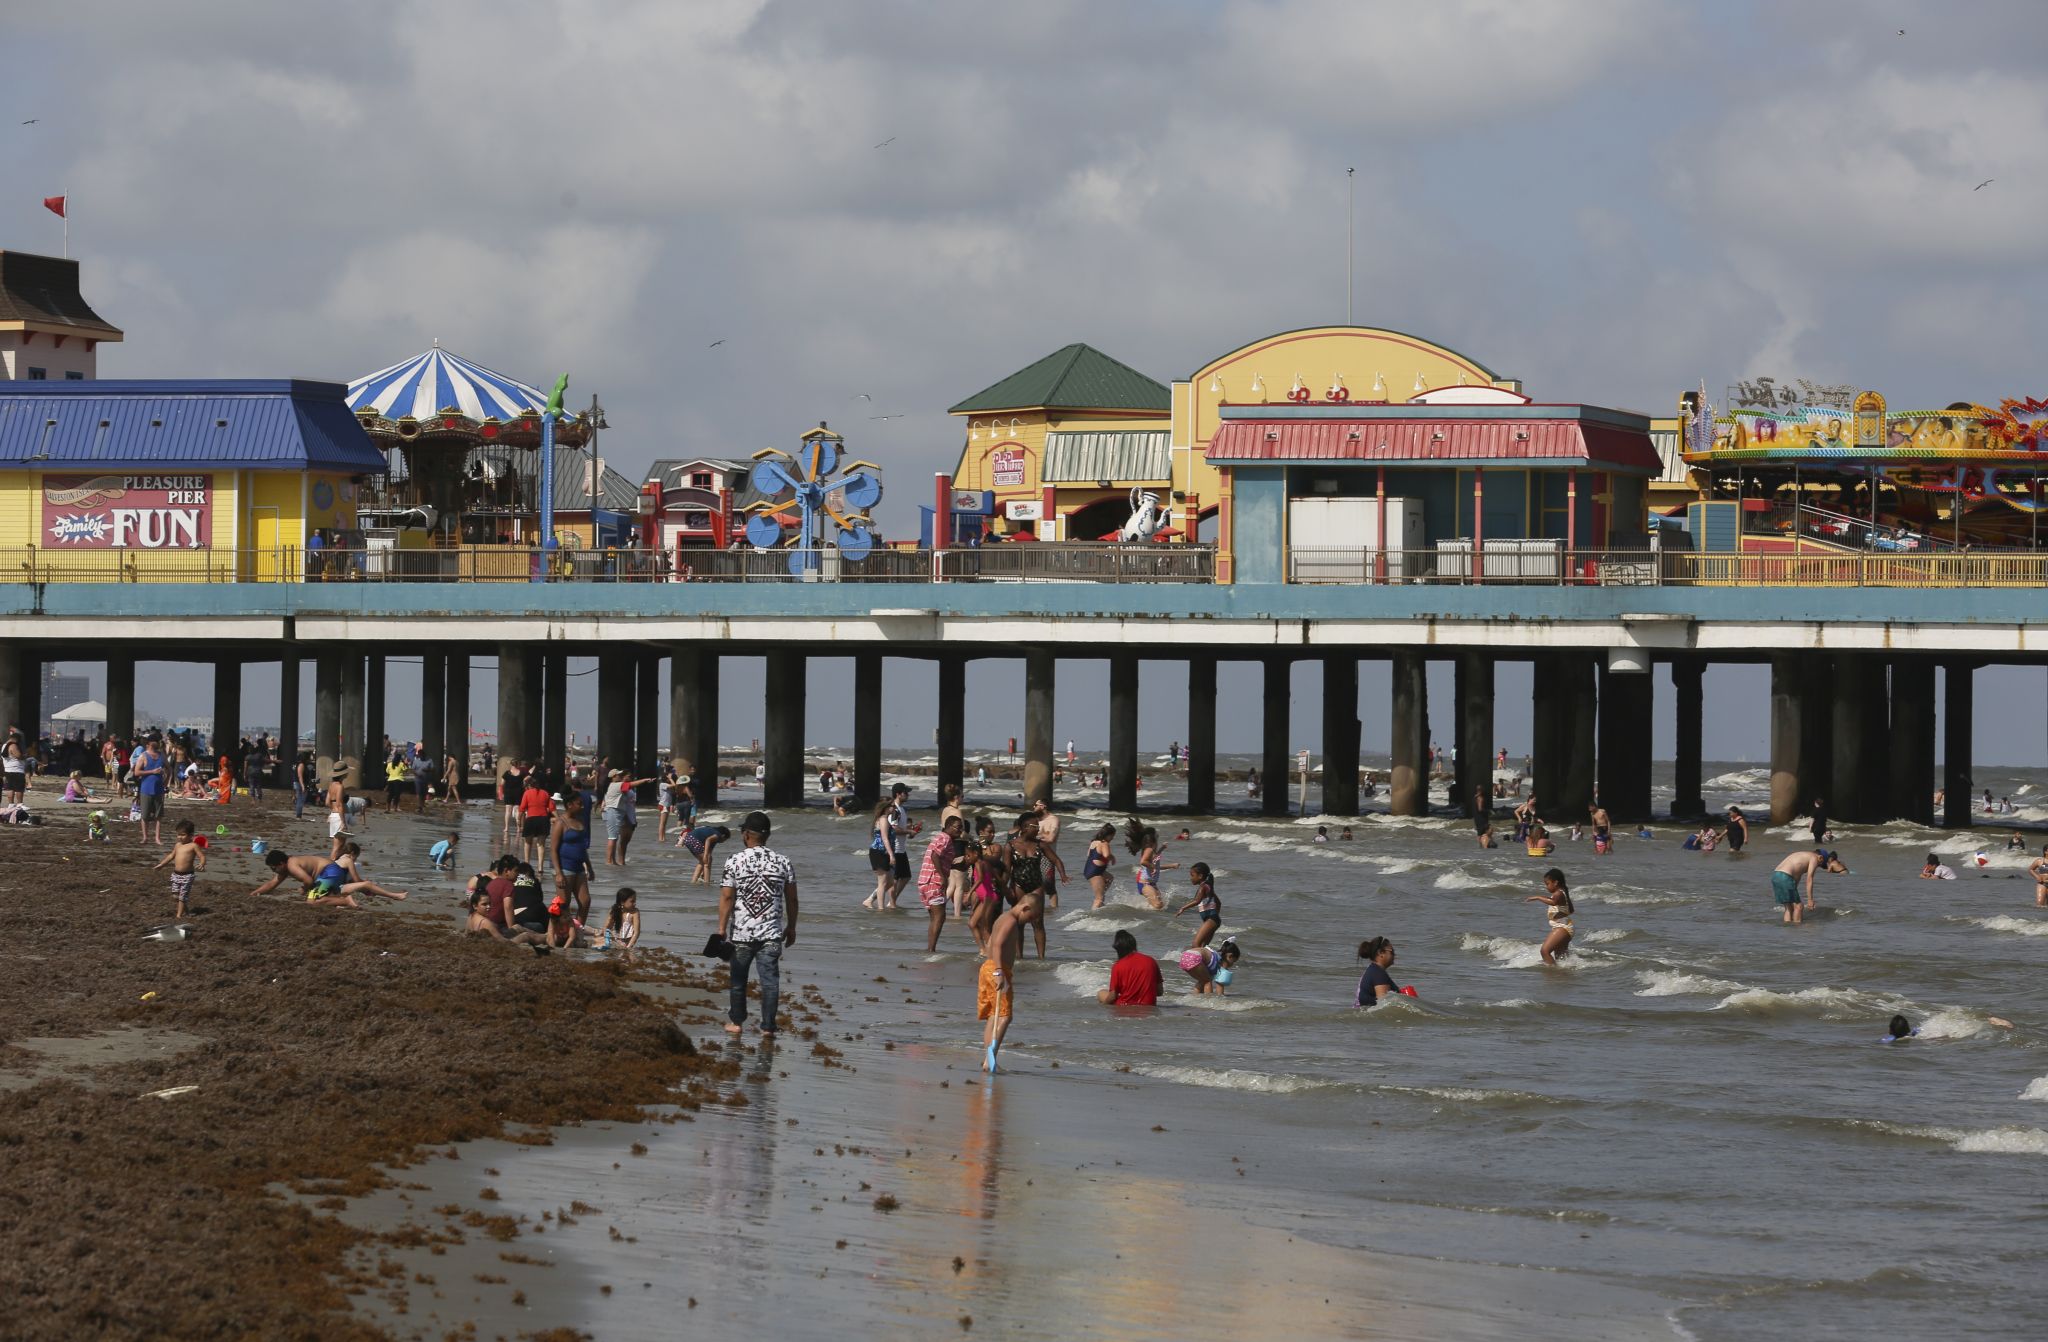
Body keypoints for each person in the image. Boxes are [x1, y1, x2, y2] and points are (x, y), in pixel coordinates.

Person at [717, 811, 797, 1040]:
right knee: (770, 982)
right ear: (768, 835)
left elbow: (727, 898)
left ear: (746, 835)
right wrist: (791, 927)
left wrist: (721, 928)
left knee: (738, 981)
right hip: (772, 934)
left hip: (741, 934)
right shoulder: (783, 862)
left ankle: (736, 1022)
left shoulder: (734, 860)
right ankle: (768, 1027)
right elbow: (792, 899)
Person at [979, 890, 1036, 1072]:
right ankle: (990, 1060)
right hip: (997, 969)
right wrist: (999, 972)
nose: (1028, 921)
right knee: (1004, 1016)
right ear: (1025, 907)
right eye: (1029, 917)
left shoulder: (1003, 917)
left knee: (994, 1016)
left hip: (989, 967)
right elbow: (997, 945)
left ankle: (988, 1059)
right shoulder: (1010, 920)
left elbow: (990, 943)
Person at [1006, 813, 1051, 958]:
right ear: (1025, 828)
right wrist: (1004, 888)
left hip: (1036, 884)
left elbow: (1055, 860)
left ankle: (1041, 957)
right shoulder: (1010, 846)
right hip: (1018, 885)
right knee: (1019, 922)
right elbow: (1006, 870)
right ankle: (1019, 957)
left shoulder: (1039, 844)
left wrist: (1062, 874)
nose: (1038, 829)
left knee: (1038, 922)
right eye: (1035, 826)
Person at [917, 814, 963, 951]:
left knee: (935, 917)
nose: (960, 831)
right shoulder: (945, 838)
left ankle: (930, 948)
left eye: (961, 828)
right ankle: (931, 949)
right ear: (948, 827)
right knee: (940, 916)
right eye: (958, 828)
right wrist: (943, 877)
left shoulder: (940, 838)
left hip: (925, 881)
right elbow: (935, 855)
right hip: (933, 880)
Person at [551, 790, 595, 920]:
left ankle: (577, 930)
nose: (582, 807)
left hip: (579, 867)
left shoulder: (580, 821)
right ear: (569, 805)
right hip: (564, 867)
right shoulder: (561, 823)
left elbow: (582, 848)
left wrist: (589, 867)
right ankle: (554, 930)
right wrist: (559, 873)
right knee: (563, 904)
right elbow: (553, 849)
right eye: (579, 804)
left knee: (585, 901)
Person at [1772, 849, 1846, 923]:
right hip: (1785, 876)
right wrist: (1810, 899)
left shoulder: (1802, 856)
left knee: (1789, 908)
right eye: (1819, 864)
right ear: (1820, 857)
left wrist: (1794, 895)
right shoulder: (1814, 857)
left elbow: (1795, 880)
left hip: (1776, 875)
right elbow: (1809, 879)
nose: (1817, 866)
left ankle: (1787, 928)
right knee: (1799, 906)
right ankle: (1797, 928)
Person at [151, 819, 206, 919]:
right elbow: (171, 856)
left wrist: (202, 864)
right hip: (176, 874)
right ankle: (187, 911)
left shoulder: (193, 846)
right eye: (178, 834)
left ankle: (179, 916)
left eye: (183, 834)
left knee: (182, 897)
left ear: (190, 835)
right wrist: (162, 864)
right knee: (175, 896)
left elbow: (202, 856)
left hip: (187, 875)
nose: (179, 837)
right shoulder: (177, 845)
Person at [1096, 928, 1162, 1006]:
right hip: (1148, 1005)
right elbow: (1159, 992)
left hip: (1125, 1006)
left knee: (1101, 993)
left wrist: (1103, 1006)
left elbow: (1113, 996)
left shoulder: (1118, 966)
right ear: (1134, 945)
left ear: (1118, 949)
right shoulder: (1151, 961)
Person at [1525, 867, 1575, 965]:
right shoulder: (1562, 892)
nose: (1546, 887)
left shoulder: (1559, 893)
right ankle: (1562, 976)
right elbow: (1571, 910)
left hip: (1563, 927)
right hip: (1564, 926)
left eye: (1547, 884)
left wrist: (1538, 897)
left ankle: (1553, 973)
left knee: (1544, 951)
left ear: (1555, 883)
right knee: (1561, 959)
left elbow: (1553, 902)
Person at [1174, 862, 1222, 948]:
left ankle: (1197, 961)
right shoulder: (1208, 888)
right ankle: (1207, 961)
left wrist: (1183, 908)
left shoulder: (1203, 887)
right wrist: (1215, 916)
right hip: (1213, 920)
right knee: (1202, 946)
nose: (1191, 878)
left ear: (1200, 876)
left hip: (1211, 920)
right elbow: (1218, 903)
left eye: (1192, 875)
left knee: (1195, 945)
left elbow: (1197, 901)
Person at [864, 798, 901, 910]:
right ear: (886, 807)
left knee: (889, 882)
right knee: (883, 882)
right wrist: (891, 855)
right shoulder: (883, 819)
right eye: (892, 806)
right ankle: (881, 908)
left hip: (881, 852)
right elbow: (885, 838)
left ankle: (869, 901)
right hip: (879, 852)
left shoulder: (884, 819)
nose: (894, 808)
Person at [1031, 798, 1067, 910]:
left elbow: (1051, 838)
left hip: (1047, 856)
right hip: (1032, 856)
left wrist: (1035, 836)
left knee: (1049, 887)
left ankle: (1053, 911)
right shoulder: (1034, 820)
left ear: (1043, 806)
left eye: (1035, 805)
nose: (1033, 807)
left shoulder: (1053, 820)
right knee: (1034, 887)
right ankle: (1037, 909)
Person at [133, 737, 167, 846]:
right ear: (148, 744)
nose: (156, 743)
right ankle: (145, 837)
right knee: (145, 815)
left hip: (159, 789)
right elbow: (136, 772)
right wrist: (152, 771)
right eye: (154, 741)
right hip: (146, 789)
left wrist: (166, 782)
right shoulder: (143, 756)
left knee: (158, 815)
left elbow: (169, 769)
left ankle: (157, 838)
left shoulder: (161, 755)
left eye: (157, 741)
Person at [518, 775, 556, 870]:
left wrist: (519, 820)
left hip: (531, 819)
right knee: (541, 844)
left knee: (528, 843)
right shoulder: (545, 793)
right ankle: (540, 867)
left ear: (530, 785)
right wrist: (558, 818)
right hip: (543, 820)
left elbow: (522, 809)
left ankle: (527, 864)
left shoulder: (527, 793)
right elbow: (552, 808)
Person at [1355, 936, 1404, 1006]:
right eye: (1392, 952)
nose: (1395, 955)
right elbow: (1384, 1006)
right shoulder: (1378, 974)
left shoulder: (1373, 970)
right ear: (1380, 953)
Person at [1082, 823, 1116, 909]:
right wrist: (1113, 858)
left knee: (1110, 878)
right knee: (1099, 898)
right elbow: (1106, 855)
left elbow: (1088, 854)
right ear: (1108, 835)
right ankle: (1092, 917)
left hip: (1091, 869)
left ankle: (1100, 902)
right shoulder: (1104, 843)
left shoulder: (1094, 842)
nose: (1113, 838)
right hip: (1095, 872)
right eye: (1112, 836)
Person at [599, 888, 641, 952]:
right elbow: (606, 927)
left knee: (623, 947)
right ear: (622, 902)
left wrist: (629, 947)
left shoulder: (635, 912)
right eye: (632, 901)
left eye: (635, 901)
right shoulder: (614, 910)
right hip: (614, 939)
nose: (635, 903)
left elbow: (636, 933)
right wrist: (608, 938)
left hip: (626, 942)